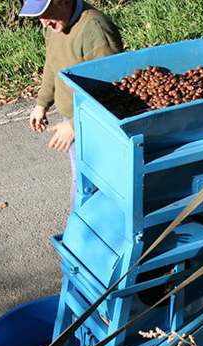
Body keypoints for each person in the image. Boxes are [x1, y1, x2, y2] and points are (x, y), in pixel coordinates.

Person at [20, 0, 123, 209]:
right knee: (82, 182)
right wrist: (42, 104)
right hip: (77, 121)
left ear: (65, 2)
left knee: (91, 187)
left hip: (96, 123)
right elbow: (53, 63)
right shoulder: (55, 24)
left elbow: (112, 91)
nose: (44, 23)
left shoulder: (95, 29)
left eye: (46, 13)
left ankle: (85, 235)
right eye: (38, 16)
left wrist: (75, 126)